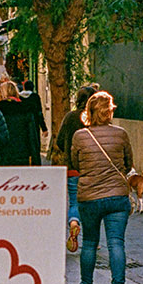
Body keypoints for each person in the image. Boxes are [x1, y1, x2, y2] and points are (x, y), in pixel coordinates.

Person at [69, 90, 134, 284]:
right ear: (109, 111)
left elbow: (75, 163)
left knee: (89, 243)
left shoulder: (79, 136)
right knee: (116, 243)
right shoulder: (121, 134)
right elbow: (127, 163)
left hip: (89, 196)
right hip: (116, 196)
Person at [52, 82, 100, 254]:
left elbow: (59, 141)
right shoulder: (97, 118)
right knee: (92, 204)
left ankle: (73, 223)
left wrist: (68, 152)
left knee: (74, 201)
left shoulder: (70, 117)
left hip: (72, 167)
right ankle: (91, 239)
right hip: (93, 169)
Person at [0, 78, 41, 166]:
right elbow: (32, 137)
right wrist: (36, 162)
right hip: (22, 155)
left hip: (2, 156)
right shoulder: (26, 109)